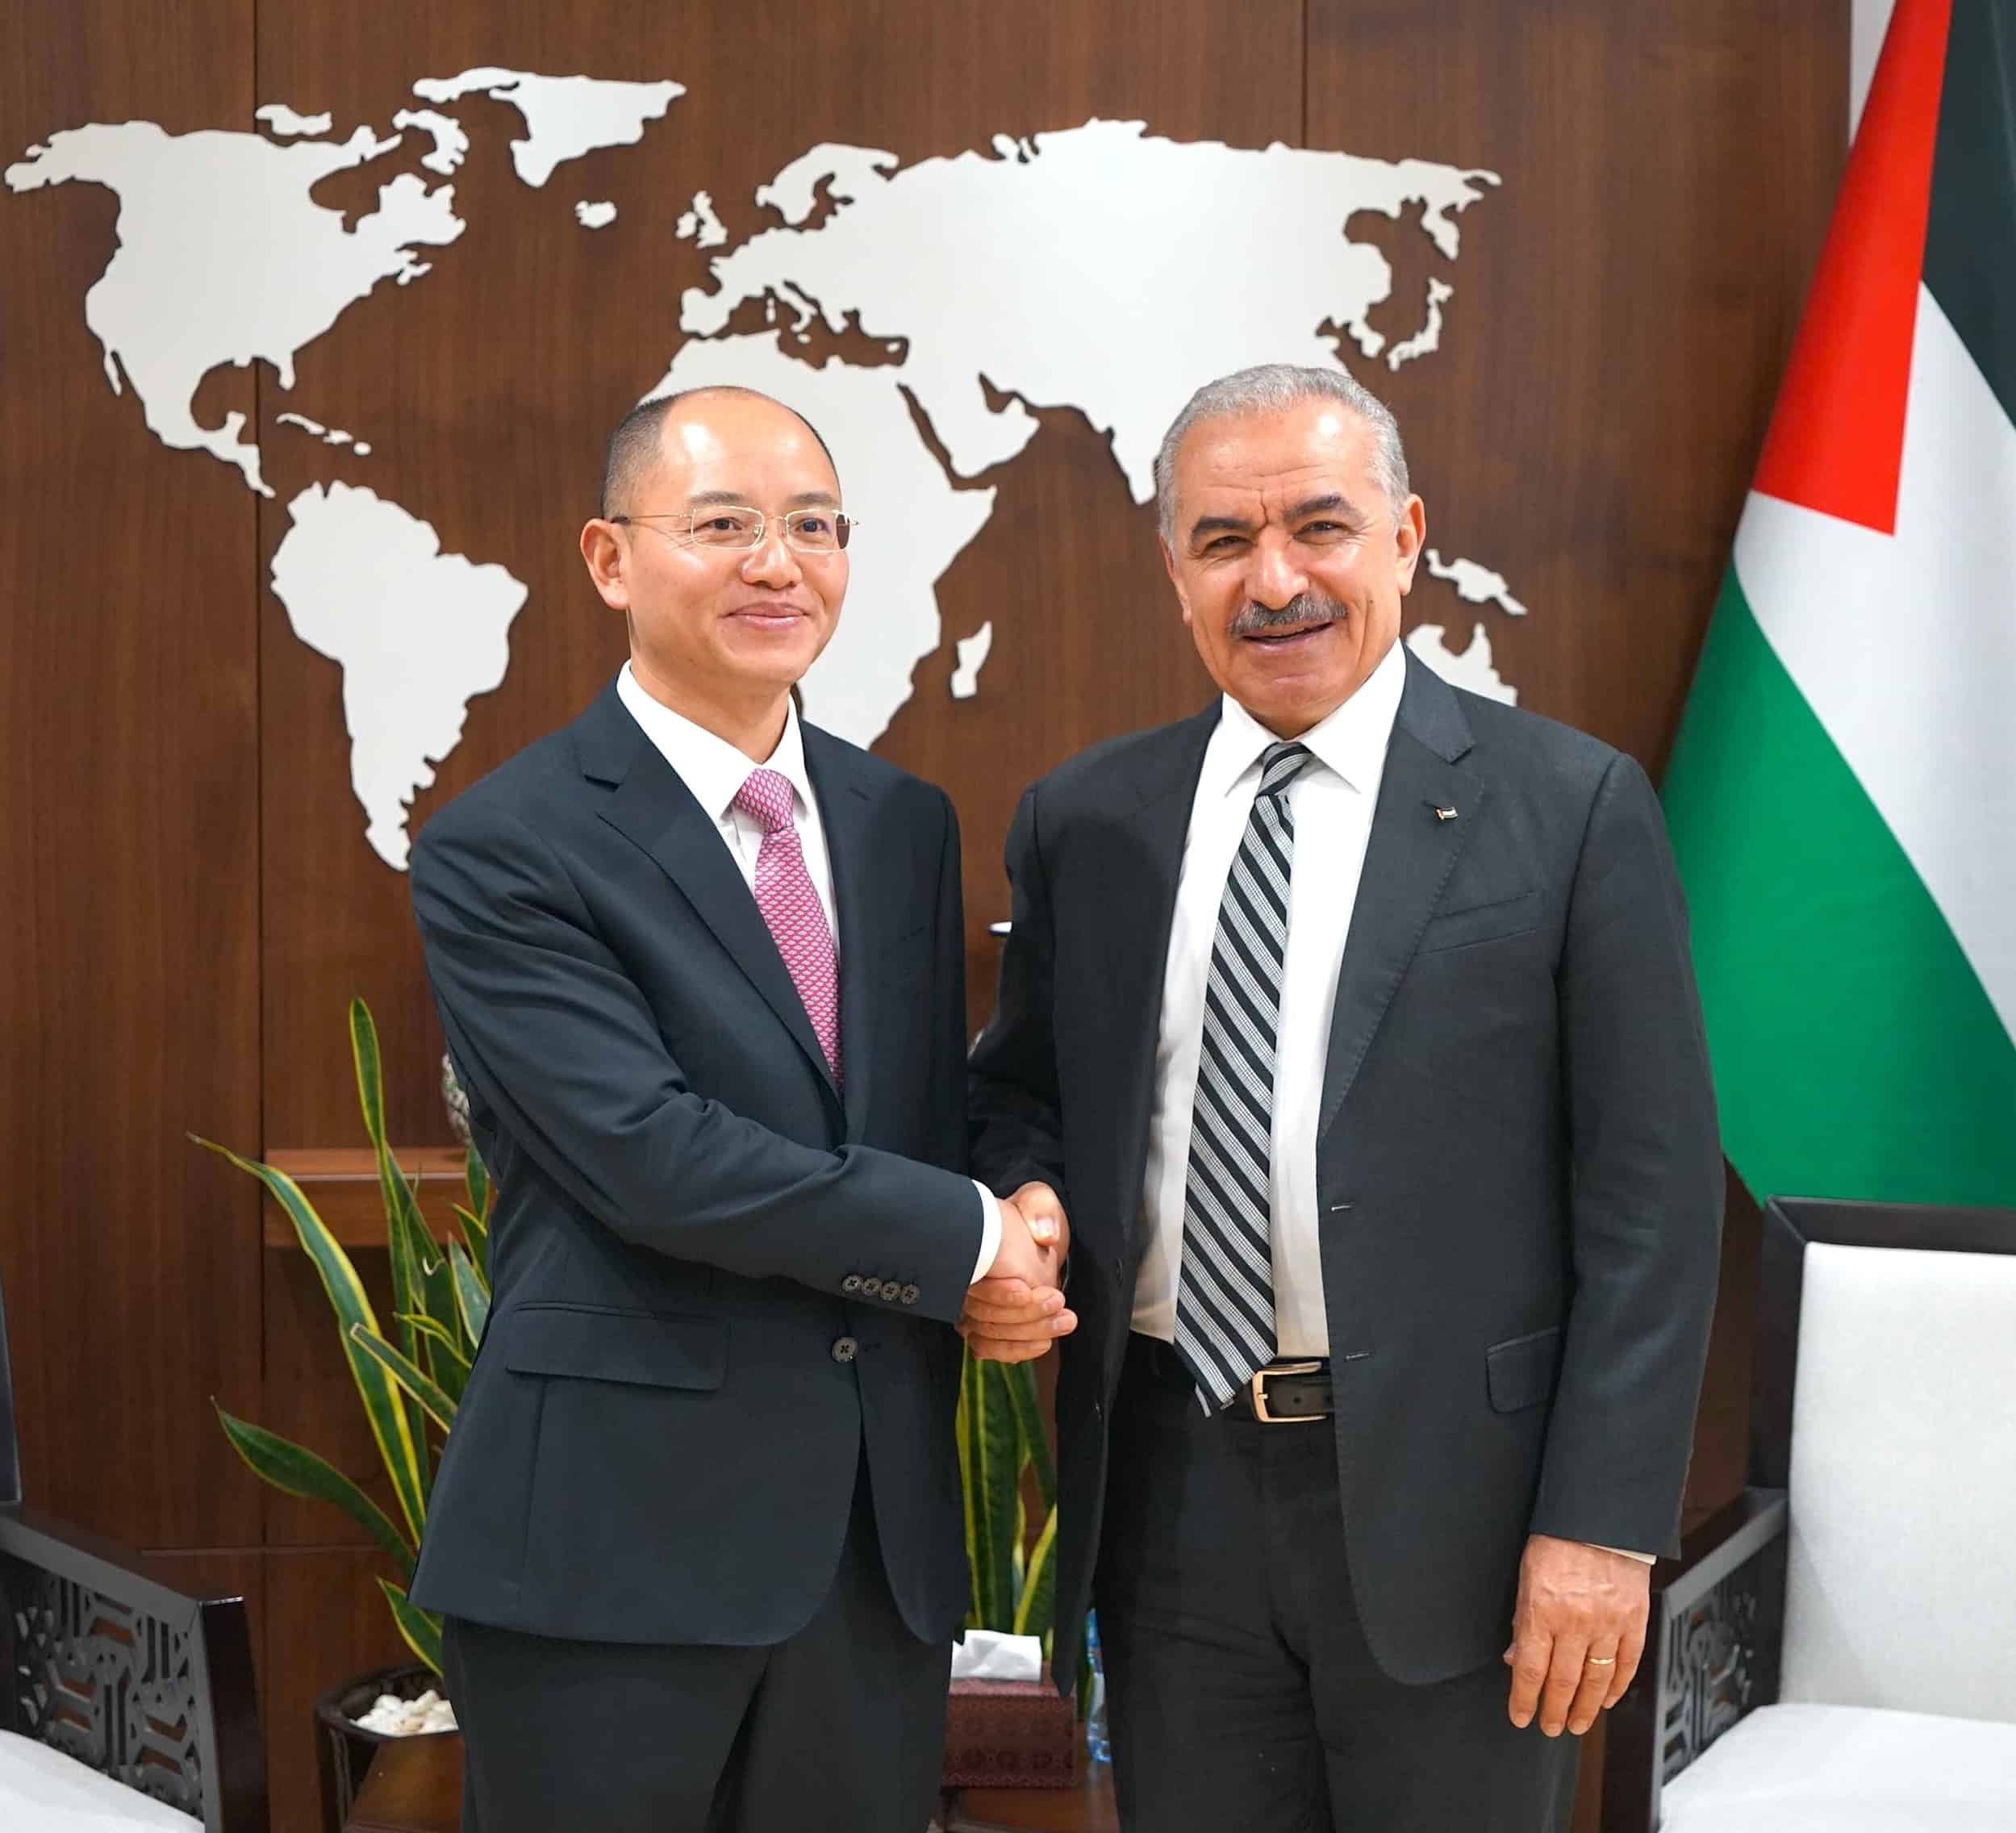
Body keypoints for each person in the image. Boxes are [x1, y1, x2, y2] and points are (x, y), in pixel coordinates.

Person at [963, 363, 1722, 1831]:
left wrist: (1601, 1527)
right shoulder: (1089, 819)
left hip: (1470, 1514)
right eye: (1224, 541)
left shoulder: (1569, 808)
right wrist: (1032, 1198)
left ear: (1407, 537)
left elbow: (1654, 1202)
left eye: (1320, 526)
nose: (1275, 582)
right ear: (1174, 569)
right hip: (1172, 1496)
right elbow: (1024, 1098)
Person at [407, 384, 1064, 1833]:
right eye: (724, 526)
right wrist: (964, 1238)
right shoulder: (505, 845)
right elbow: (655, 1158)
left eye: (815, 526)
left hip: (871, 1559)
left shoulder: (900, 823)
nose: (781, 564)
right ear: (609, 558)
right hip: (611, 1555)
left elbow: (909, 1122)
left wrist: (1023, 1216)